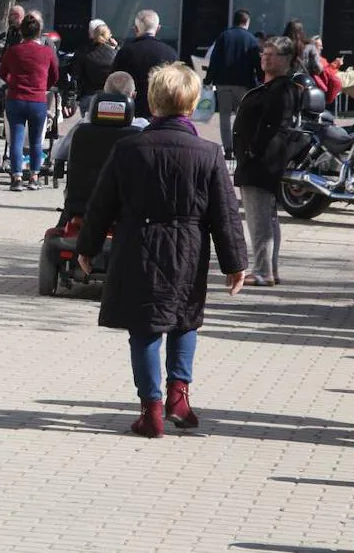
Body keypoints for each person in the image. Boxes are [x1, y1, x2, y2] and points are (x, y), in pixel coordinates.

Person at [76, 62, 247, 438]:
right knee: (185, 319)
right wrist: (235, 263)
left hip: (140, 242)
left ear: (152, 104)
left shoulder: (129, 148)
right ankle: (179, 397)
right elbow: (225, 212)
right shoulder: (208, 152)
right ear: (190, 104)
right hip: (189, 246)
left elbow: (100, 204)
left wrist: (86, 247)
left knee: (144, 327)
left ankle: (150, 407)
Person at [232, 35, 306, 287]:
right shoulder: (273, 87)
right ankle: (269, 269)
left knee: (259, 218)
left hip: (262, 163)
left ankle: (263, 271)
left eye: (271, 54)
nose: (265, 57)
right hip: (260, 161)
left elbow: (271, 127)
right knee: (266, 217)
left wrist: (253, 152)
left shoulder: (282, 89)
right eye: (264, 53)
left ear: (286, 60)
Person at [0, 14, 58, 191]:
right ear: (39, 32)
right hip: (38, 100)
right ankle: (34, 177)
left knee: (16, 140)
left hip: (16, 99)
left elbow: (2, 73)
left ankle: (16, 177)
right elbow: (55, 75)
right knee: (36, 141)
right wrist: (42, 86)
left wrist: (12, 81)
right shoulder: (46, 52)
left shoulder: (13, 51)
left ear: (21, 32)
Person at [51, 71, 150, 164]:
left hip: (88, 181)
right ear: (134, 95)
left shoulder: (83, 126)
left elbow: (58, 153)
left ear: (104, 93)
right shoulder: (143, 128)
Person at [205, 9, 262, 160]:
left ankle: (228, 149)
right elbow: (257, 62)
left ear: (234, 20)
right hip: (243, 83)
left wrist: (208, 79)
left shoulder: (224, 36)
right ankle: (240, 147)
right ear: (247, 22)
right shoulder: (251, 39)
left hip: (223, 83)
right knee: (242, 116)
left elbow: (215, 59)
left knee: (224, 117)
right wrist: (261, 81)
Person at [111, 9, 178, 120]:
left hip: (131, 111)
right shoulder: (170, 53)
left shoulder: (125, 52)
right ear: (158, 28)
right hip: (160, 111)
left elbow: (114, 81)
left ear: (135, 29)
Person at [72, 19, 117, 116]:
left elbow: (76, 76)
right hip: (108, 97)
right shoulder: (114, 54)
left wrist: (71, 98)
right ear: (108, 35)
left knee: (88, 127)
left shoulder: (84, 53)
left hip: (88, 95)